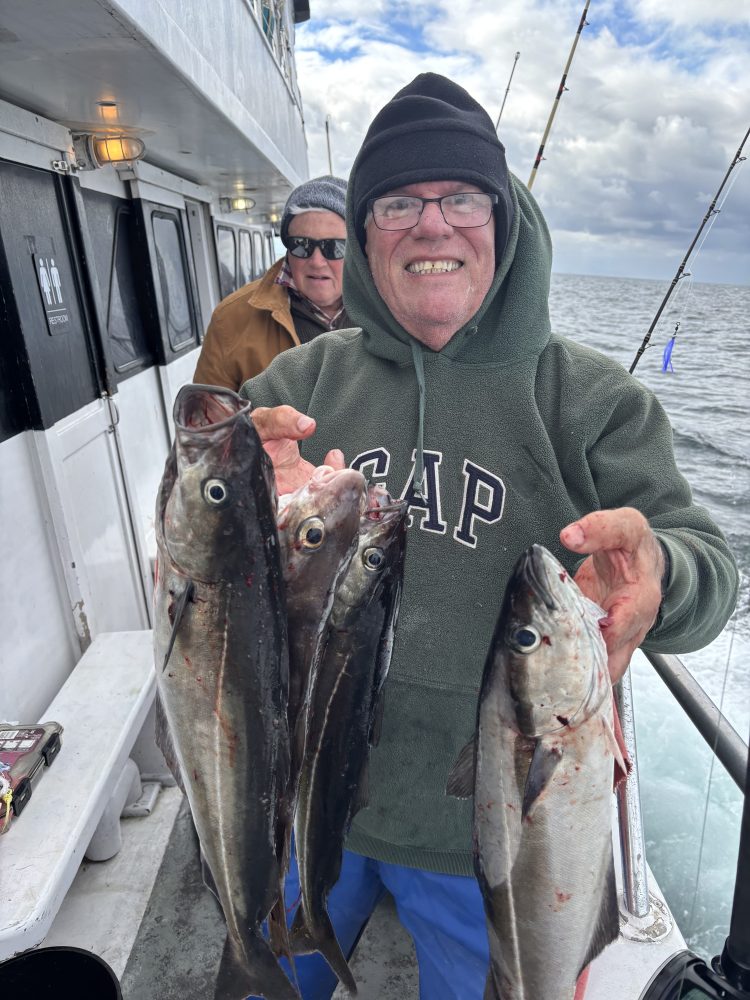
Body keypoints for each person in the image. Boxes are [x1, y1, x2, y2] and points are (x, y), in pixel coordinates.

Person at [243, 74, 739, 999]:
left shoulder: (595, 403)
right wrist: (230, 502)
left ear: (503, 218)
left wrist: (663, 573)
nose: (432, 225)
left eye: (462, 196)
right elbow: (188, 550)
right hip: (306, 804)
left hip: (500, 841)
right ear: (363, 232)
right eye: (397, 201)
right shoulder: (296, 385)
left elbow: (714, 573)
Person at [193, 175, 350, 391]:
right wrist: (257, 423)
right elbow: (204, 421)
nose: (316, 261)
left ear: (358, 250)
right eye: (300, 245)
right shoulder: (229, 319)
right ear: (287, 247)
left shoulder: (392, 308)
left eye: (334, 247)